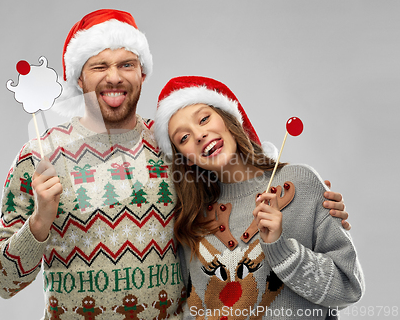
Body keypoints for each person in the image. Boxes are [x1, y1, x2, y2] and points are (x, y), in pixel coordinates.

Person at [0, 9, 351, 319]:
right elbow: (3, 283)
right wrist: (38, 224)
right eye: (99, 66)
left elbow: (237, 188)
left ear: (142, 73)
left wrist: (309, 202)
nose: (114, 76)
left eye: (126, 64)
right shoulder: (40, 158)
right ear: (79, 77)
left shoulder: (174, 148)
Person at [153, 76, 364, 319]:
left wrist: (281, 249)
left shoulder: (298, 182)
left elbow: (348, 288)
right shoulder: (192, 221)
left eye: (204, 118)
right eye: (184, 138)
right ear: (184, 157)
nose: (199, 134)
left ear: (228, 119)